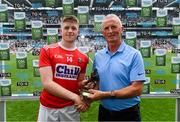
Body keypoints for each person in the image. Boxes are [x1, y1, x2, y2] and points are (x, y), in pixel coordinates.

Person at [87, 14, 146, 121]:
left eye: (113, 27)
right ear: (103, 33)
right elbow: (98, 83)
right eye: (106, 28)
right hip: (104, 112)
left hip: (128, 114)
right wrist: (88, 94)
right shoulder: (98, 56)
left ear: (121, 29)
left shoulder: (134, 55)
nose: (110, 31)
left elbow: (137, 89)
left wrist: (105, 94)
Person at [37, 15, 89, 122]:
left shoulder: (83, 57)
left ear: (78, 31)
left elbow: (78, 84)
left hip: (71, 108)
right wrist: (75, 97)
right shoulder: (47, 50)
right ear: (61, 31)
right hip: (48, 106)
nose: (70, 31)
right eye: (66, 28)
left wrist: (85, 87)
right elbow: (47, 83)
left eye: (73, 28)